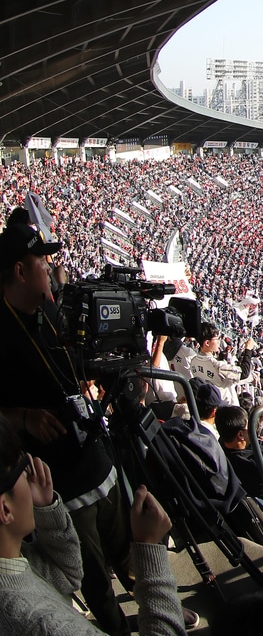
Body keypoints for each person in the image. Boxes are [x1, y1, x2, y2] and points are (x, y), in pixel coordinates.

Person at [0, 221, 127, 634]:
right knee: (97, 583)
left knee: (129, 551)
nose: (51, 267)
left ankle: (152, 602)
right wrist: (21, 417)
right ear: (19, 271)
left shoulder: (51, 310)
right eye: (43, 260)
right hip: (60, 487)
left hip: (95, 459)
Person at [0, 415, 184, 636]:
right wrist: (151, 550)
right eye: (23, 467)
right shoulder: (44, 623)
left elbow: (68, 577)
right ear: (5, 509)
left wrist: (48, 511)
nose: (32, 474)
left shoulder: (15, 561)